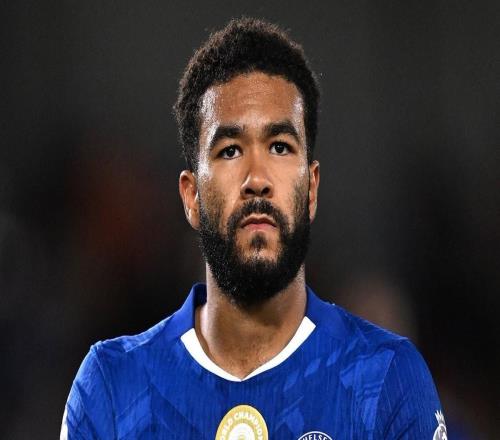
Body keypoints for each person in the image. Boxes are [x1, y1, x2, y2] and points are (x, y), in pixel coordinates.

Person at [61, 18, 447, 439]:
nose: (257, 178)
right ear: (191, 196)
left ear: (311, 189)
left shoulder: (385, 378)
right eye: (230, 151)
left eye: (280, 147)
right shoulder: (112, 387)